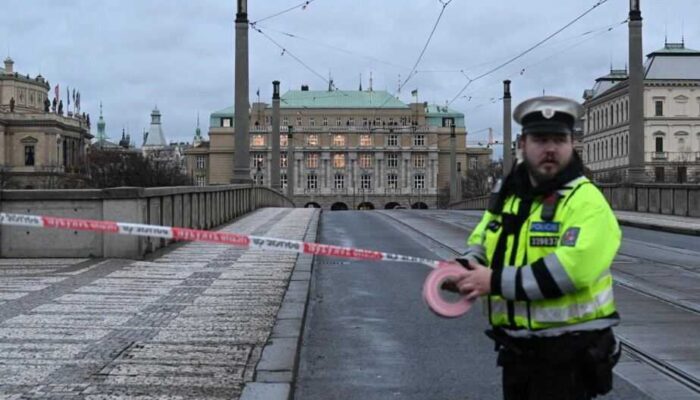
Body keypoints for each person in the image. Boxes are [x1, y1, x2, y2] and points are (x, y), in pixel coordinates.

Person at [445, 96, 621, 400]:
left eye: (560, 139)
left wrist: (492, 281)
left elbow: (572, 269)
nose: (551, 148)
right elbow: (483, 241)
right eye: (541, 139)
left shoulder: (585, 200)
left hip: (570, 355)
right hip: (517, 352)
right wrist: (463, 268)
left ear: (571, 144)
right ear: (523, 144)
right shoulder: (511, 196)